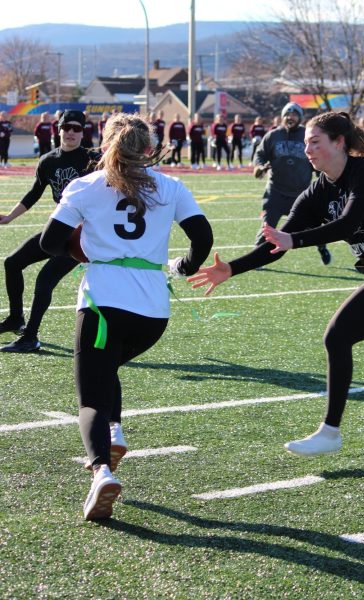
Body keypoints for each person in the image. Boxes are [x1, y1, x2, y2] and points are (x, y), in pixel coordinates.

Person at [188, 110, 364, 459]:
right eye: (305, 143)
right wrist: (232, 269)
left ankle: (330, 431)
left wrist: (293, 240)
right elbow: (277, 244)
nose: (307, 149)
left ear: (339, 143)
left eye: (315, 142)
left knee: (336, 336)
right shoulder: (316, 192)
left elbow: (345, 225)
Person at [40, 112, 213, 520]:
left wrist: (79, 250)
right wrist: (185, 267)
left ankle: (101, 470)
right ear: (149, 149)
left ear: (105, 145)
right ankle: (115, 431)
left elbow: (50, 242)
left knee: (90, 396)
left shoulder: (85, 185)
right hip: (153, 311)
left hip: (103, 301)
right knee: (106, 368)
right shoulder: (170, 185)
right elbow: (202, 238)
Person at [0, 110, 99, 353]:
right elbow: (34, 193)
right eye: (67, 127)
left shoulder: (94, 159)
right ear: (59, 128)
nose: (72, 133)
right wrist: (9, 217)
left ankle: (30, 337)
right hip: (58, 229)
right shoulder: (48, 160)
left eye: (77, 128)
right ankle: (16, 319)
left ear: (83, 131)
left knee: (45, 280)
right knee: (12, 263)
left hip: (82, 236)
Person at [252, 102, 331, 266]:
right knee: (267, 226)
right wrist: (259, 167)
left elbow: (318, 158)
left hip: (301, 193)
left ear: (300, 117)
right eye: (287, 114)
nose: (290, 117)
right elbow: (260, 154)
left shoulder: (308, 136)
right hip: (276, 191)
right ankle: (256, 258)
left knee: (315, 226)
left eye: (294, 115)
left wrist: (324, 175)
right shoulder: (273, 136)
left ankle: (322, 247)